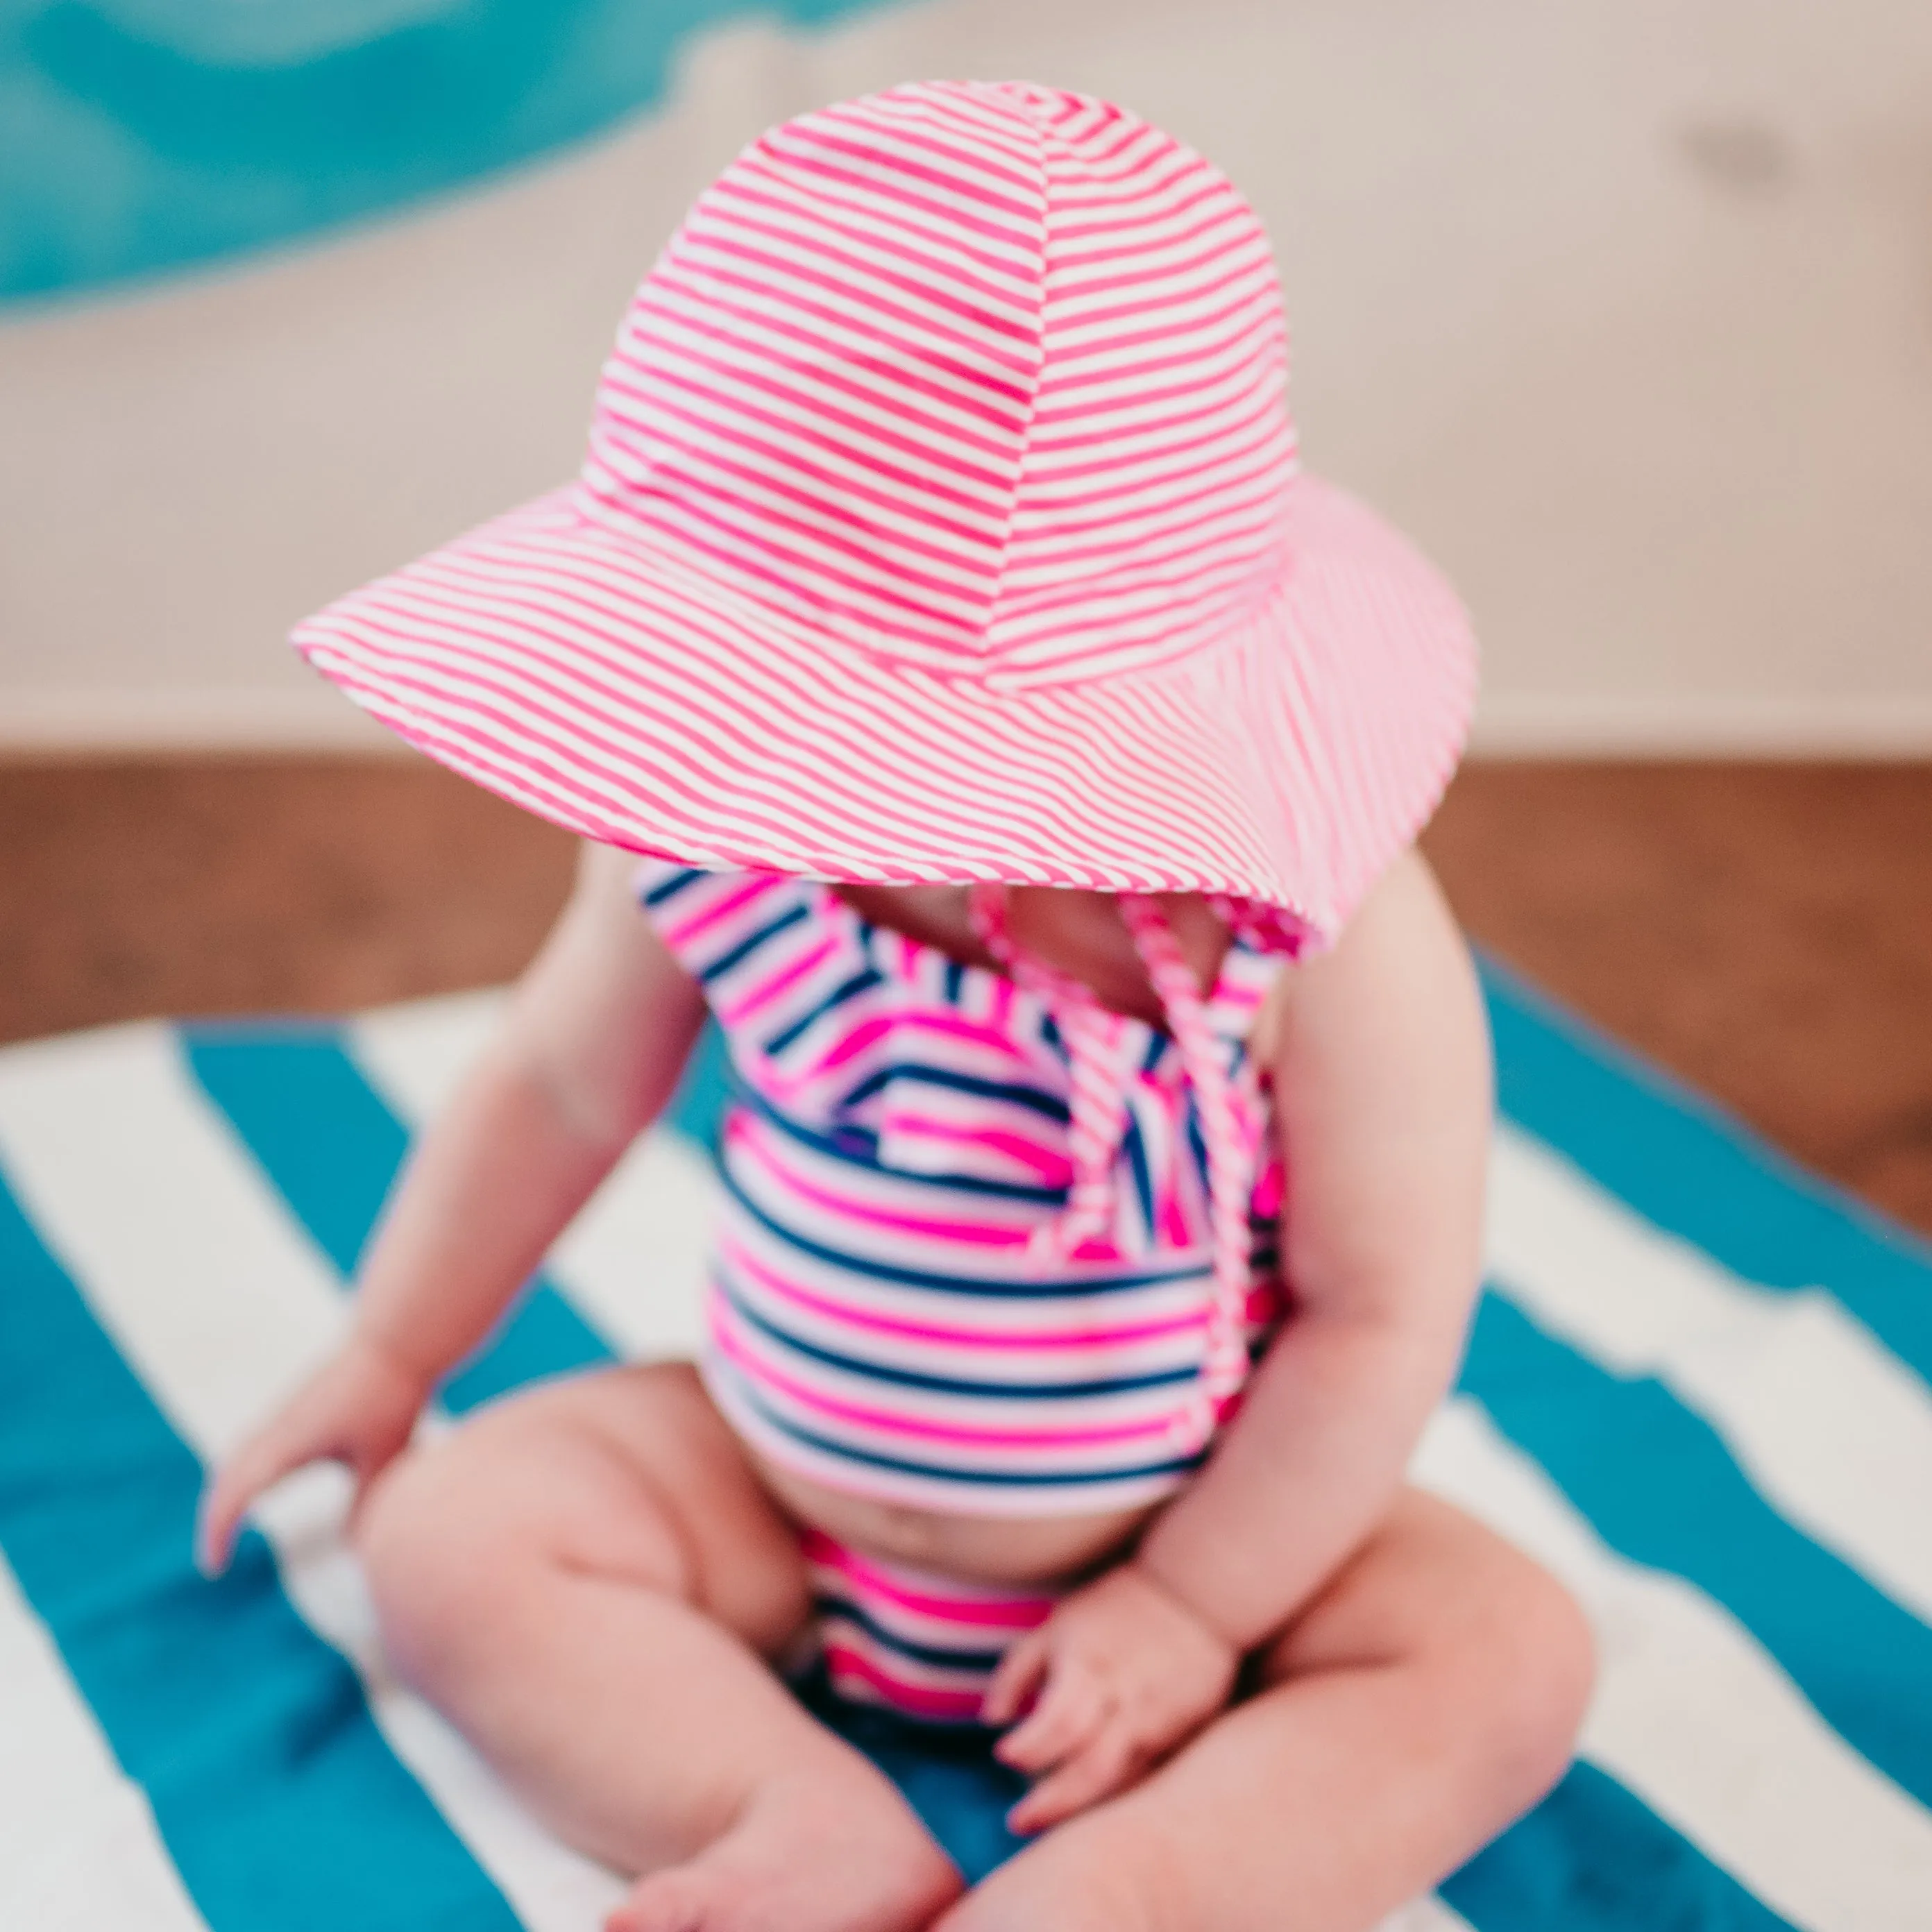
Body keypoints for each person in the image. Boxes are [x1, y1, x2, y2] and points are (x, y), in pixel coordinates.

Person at [196, 80, 1593, 1932]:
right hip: (772, 1500)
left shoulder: (1317, 933)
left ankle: (1135, 1888)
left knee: (1501, 1657)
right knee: (453, 1535)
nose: (840, 794)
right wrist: (391, 1355)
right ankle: (782, 1814)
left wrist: (1199, 1603)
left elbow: (1382, 1309)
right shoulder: (707, 837)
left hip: (1182, 1531)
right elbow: (553, 1086)